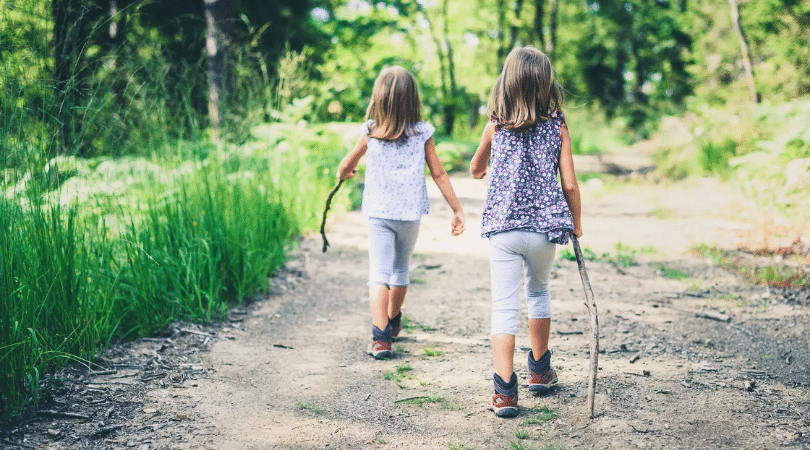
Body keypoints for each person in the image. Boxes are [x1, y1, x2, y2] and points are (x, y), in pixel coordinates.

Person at [469, 46, 583, 418]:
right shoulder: (558, 124)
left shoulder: (495, 125)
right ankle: (539, 372)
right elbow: (569, 185)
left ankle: (504, 392)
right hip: (543, 228)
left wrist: (484, 166)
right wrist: (576, 223)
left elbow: (475, 167)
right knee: (538, 291)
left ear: (508, 82)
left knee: (503, 305)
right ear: (546, 84)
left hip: (503, 227)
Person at [338, 66, 466, 359]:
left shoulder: (371, 131)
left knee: (378, 274)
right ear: (413, 100)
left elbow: (346, 165)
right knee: (400, 270)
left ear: (379, 98)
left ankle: (380, 337)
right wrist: (457, 209)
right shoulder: (422, 132)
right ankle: (393, 320)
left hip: (379, 213)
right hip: (409, 214)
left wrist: (345, 172)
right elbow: (440, 174)